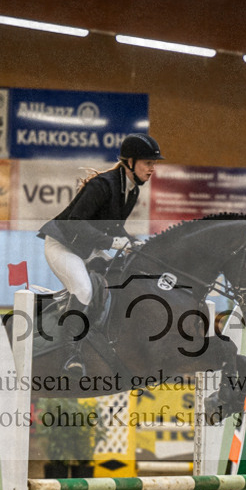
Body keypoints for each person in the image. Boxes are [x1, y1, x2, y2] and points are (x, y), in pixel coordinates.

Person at [37, 132, 164, 376]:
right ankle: (70, 353)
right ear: (130, 162)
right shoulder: (102, 185)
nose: (152, 169)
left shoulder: (131, 190)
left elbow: (115, 227)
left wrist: (136, 244)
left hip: (87, 249)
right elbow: (76, 223)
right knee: (83, 289)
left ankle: (102, 337)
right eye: (148, 163)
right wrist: (112, 242)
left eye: (154, 164)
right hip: (63, 246)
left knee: (121, 276)